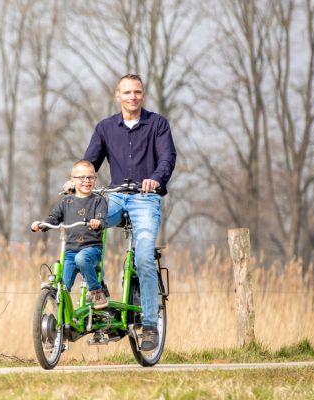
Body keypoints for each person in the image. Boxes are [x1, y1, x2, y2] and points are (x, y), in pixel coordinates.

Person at [82, 74, 177, 351]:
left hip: (145, 198)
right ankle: (98, 289)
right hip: (114, 197)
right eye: (127, 92)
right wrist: (77, 180)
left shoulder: (158, 124)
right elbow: (90, 162)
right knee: (88, 225)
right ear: (117, 96)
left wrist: (156, 179)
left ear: (143, 95)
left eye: (137, 92)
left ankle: (149, 325)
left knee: (144, 257)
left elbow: (168, 158)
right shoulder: (105, 128)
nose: (132, 97)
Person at [31, 160, 108, 310]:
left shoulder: (98, 201)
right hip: (71, 250)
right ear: (72, 180)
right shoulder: (66, 201)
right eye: (81, 178)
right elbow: (54, 217)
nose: (86, 181)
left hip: (91, 249)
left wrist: (97, 222)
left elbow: (102, 219)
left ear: (95, 179)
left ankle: (96, 291)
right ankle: (63, 320)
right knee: (63, 286)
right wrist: (42, 224)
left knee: (82, 258)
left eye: (90, 177)